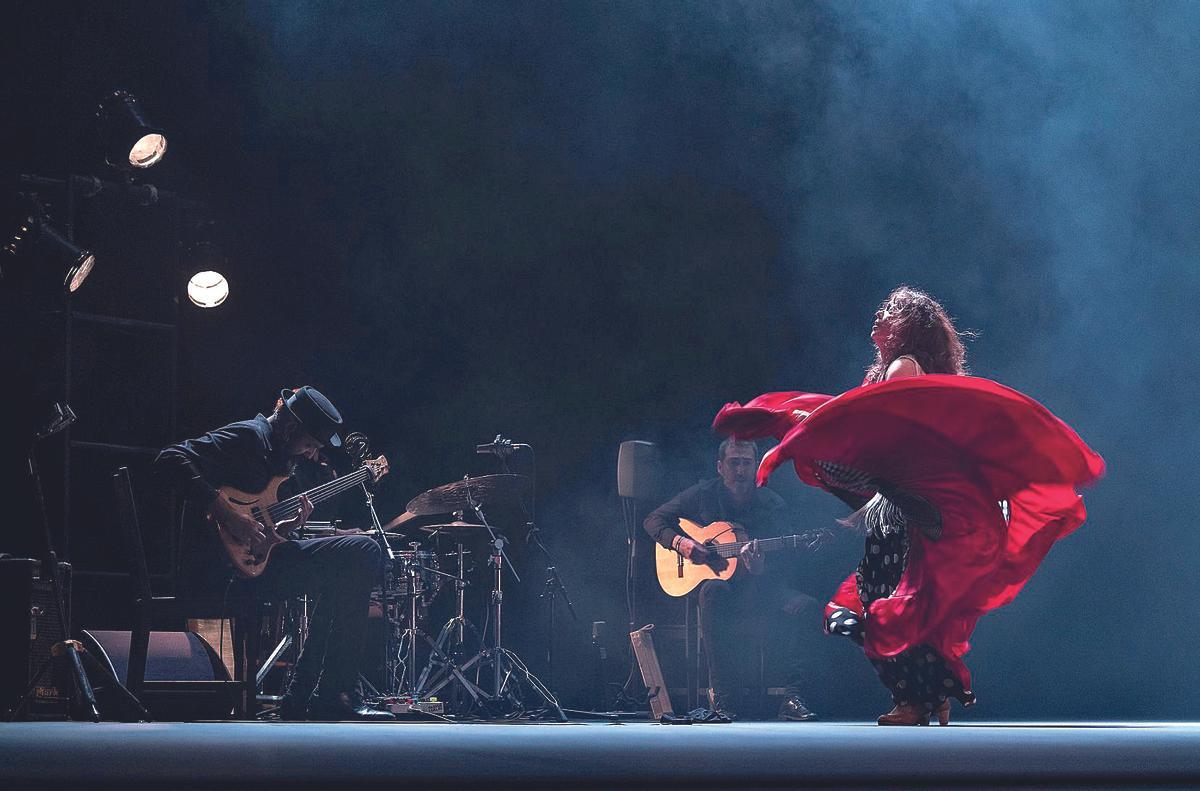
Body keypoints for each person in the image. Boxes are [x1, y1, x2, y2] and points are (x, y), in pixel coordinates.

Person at [714, 286, 1104, 725]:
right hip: (908, 506)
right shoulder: (895, 368)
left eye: (891, 311)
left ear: (908, 327)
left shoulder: (902, 366)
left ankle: (914, 699)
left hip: (908, 508)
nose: (880, 315)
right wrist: (809, 426)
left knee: (881, 602)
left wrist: (806, 427)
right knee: (897, 602)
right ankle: (931, 695)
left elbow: (883, 436)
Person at [155, 386, 394, 721]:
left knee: (358, 555)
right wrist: (227, 514)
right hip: (216, 571)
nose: (312, 454)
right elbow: (168, 459)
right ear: (290, 427)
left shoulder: (279, 462)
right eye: (309, 444)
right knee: (358, 555)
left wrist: (284, 529)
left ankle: (318, 694)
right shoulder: (247, 437)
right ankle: (321, 694)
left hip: (253, 567)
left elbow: (259, 534)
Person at [644, 437, 819, 721]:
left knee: (806, 606)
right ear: (720, 466)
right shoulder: (703, 494)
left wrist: (760, 569)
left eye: (746, 463)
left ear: (756, 467)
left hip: (762, 587)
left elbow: (787, 564)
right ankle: (724, 698)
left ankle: (792, 697)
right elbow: (653, 520)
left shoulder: (772, 504)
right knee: (714, 590)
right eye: (734, 463)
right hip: (719, 589)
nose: (740, 470)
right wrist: (681, 543)